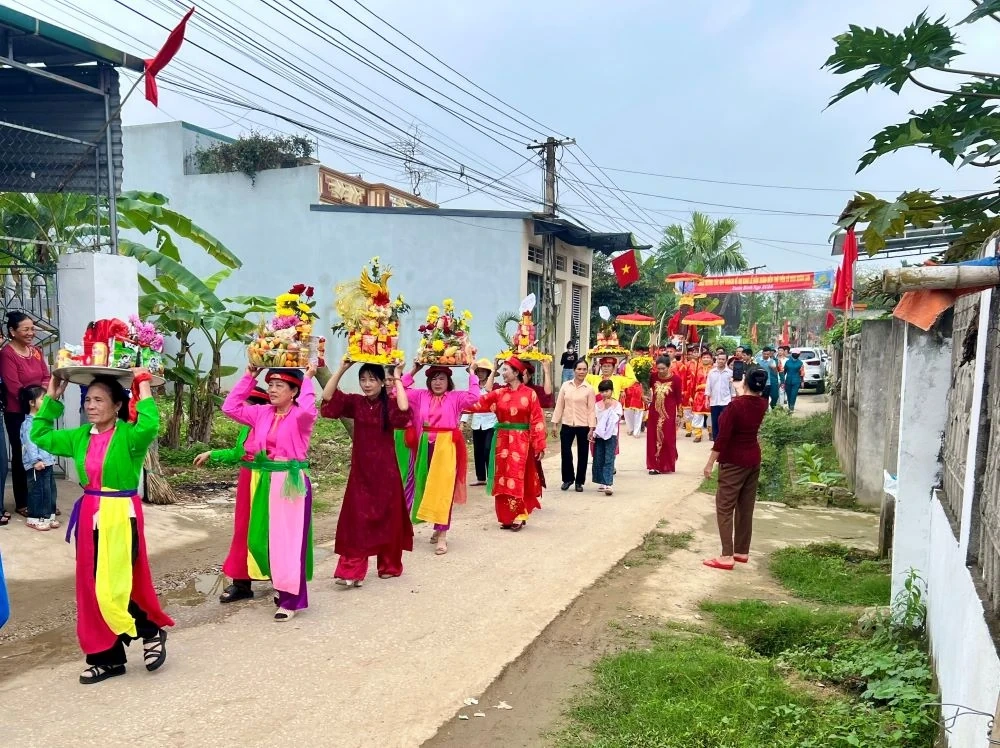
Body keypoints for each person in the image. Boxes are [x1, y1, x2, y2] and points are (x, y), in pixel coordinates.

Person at [32, 369, 173, 684]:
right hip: (89, 514)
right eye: (87, 400)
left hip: (121, 514)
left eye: (99, 400)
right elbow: (39, 435)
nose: (90, 406)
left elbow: (150, 424)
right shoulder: (79, 437)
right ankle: (106, 659)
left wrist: (144, 386)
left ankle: (150, 631)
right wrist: (52, 396)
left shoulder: (129, 437)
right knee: (91, 586)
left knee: (120, 581)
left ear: (117, 405)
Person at [221, 366, 318, 621]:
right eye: (270, 385)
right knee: (258, 540)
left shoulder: (301, 416)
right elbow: (229, 408)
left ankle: (289, 600)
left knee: (288, 543)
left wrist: (307, 379)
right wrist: (249, 375)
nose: (273, 390)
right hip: (265, 479)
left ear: (294, 392)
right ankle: (278, 580)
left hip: (290, 481)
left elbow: (309, 408)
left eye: (279, 386)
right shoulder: (261, 413)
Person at [322, 361, 413, 585]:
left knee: (388, 518)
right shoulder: (355, 402)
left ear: (382, 382)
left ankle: (389, 565)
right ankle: (351, 570)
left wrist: (398, 377)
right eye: (363, 379)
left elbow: (403, 410)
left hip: (386, 472)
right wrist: (342, 368)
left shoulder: (389, 405)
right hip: (361, 473)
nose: (367, 384)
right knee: (356, 520)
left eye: (372, 379)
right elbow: (327, 398)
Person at [192, 386, 270, 604]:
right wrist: (212, 454)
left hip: (268, 480)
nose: (240, 412)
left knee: (269, 531)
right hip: (247, 481)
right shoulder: (247, 428)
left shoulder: (274, 424)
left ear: (257, 407)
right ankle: (242, 583)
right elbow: (238, 453)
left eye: (244, 406)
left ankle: (283, 579)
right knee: (243, 531)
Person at [401, 361, 480, 556]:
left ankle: (442, 534)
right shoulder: (420, 396)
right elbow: (397, 392)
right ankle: (432, 525)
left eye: (442, 378)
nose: (437, 382)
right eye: (434, 378)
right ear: (428, 381)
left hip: (446, 446)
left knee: (444, 490)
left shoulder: (455, 398)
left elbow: (474, 397)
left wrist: (471, 373)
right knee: (426, 485)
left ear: (449, 382)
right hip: (424, 445)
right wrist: (414, 370)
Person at [464, 357, 547, 530]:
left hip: (522, 441)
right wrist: (454, 403)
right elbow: (478, 403)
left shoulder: (529, 394)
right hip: (502, 440)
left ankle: (519, 515)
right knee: (502, 478)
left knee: (517, 476)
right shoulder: (500, 393)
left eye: (506, 370)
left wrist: (539, 444)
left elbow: (537, 420)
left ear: (516, 373)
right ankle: (506, 517)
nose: (503, 373)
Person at [702, 368, 770, 570]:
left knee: (724, 507)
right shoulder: (762, 404)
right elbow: (749, 400)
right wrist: (742, 388)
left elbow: (722, 438)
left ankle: (726, 556)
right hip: (753, 458)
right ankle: (741, 551)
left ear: (745, 383)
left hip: (733, 460)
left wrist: (709, 463)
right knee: (745, 507)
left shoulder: (735, 406)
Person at [1, 311, 51, 520]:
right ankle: (23, 501)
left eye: (33, 328)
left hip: (40, 410)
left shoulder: (36, 352)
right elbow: (14, 388)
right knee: (24, 455)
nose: (31, 333)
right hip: (17, 413)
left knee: (44, 453)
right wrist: (35, 399)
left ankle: (44, 499)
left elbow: (46, 376)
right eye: (26, 329)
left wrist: (43, 397)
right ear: (12, 331)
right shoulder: (6, 354)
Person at [552, 359, 595, 493]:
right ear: (574, 370)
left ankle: (579, 482)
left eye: (584, 369)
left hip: (584, 425)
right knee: (565, 452)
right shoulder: (566, 386)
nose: (581, 372)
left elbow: (591, 410)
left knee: (583, 454)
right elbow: (559, 406)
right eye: (579, 369)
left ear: (587, 371)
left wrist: (592, 428)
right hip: (567, 424)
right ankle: (567, 479)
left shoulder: (589, 389)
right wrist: (554, 424)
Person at [20, 385, 58, 531]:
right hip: (37, 463)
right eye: (43, 399)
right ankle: (35, 517)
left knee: (50, 490)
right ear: (32, 402)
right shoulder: (29, 424)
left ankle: (49, 516)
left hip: (47, 461)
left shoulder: (42, 421)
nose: (46, 401)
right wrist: (35, 460)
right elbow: (30, 444)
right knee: (38, 491)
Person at [461, 359, 496, 488]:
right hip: (477, 423)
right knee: (478, 451)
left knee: (488, 449)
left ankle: (492, 477)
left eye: (482, 371)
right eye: (478, 371)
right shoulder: (473, 388)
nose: (480, 374)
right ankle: (481, 478)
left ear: (488, 373)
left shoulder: (493, 386)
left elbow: (490, 393)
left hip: (491, 423)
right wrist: (463, 421)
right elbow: (468, 404)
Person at [646, 356, 682, 475]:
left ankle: (665, 463)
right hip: (654, 411)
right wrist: (644, 395)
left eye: (663, 368)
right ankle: (653, 465)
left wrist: (679, 415)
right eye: (658, 368)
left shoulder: (676, 379)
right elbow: (646, 389)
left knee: (666, 437)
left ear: (669, 366)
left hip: (669, 412)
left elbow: (679, 398)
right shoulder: (653, 376)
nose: (660, 371)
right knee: (652, 437)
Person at [591, 380, 622, 495]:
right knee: (599, 458)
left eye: (607, 391)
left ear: (611, 391)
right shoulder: (597, 405)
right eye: (602, 391)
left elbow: (616, 419)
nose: (604, 393)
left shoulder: (617, 405)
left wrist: (609, 408)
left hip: (611, 436)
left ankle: (608, 483)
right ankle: (601, 482)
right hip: (599, 435)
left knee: (609, 458)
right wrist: (591, 431)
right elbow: (595, 419)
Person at [706, 352, 735, 442]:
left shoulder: (730, 373)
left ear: (726, 360)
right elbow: (708, 386)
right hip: (714, 402)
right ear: (716, 359)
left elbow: (732, 388)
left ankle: (724, 443)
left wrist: (732, 400)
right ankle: (716, 444)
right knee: (715, 423)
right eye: (719, 359)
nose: (721, 361)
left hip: (726, 402)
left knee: (725, 423)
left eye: (723, 359)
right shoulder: (711, 372)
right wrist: (707, 399)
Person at [689, 350, 714, 442]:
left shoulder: (714, 369)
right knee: (697, 415)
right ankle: (698, 435)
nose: (706, 359)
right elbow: (692, 383)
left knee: (711, 415)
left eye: (708, 357)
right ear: (701, 358)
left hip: (710, 395)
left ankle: (711, 433)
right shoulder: (696, 369)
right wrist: (691, 396)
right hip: (699, 395)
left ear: (711, 359)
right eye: (704, 357)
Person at [621, 371, 645, 438]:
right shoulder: (626, 368)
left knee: (638, 413)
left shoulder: (642, 366)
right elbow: (622, 379)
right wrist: (622, 390)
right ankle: (630, 429)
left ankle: (636, 432)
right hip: (628, 390)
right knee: (628, 413)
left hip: (638, 389)